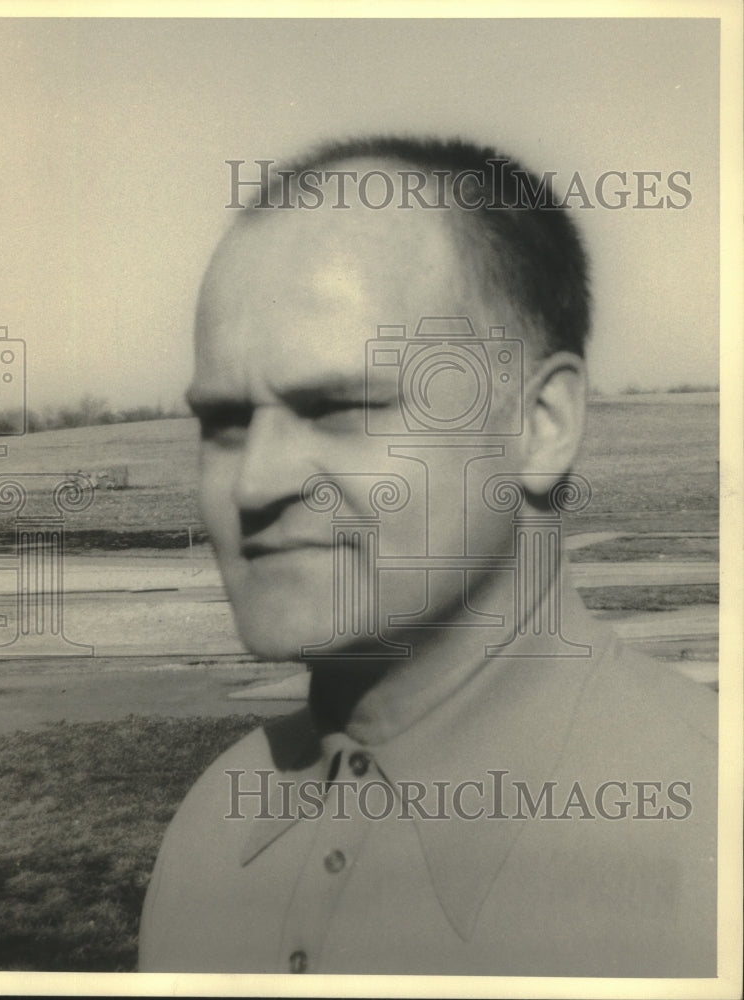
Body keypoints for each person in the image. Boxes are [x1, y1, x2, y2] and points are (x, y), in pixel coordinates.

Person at [138, 137, 716, 977]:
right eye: (225, 421)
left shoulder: (711, 844)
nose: (255, 483)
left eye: (339, 404)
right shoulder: (211, 833)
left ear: (541, 424)